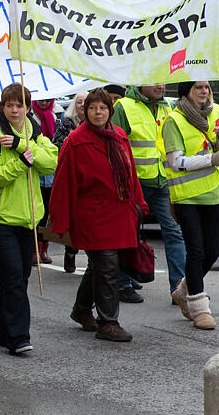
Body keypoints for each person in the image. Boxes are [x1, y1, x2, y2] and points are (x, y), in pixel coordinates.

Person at [50, 88, 147, 343]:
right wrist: (60, 220)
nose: (98, 112)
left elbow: (131, 173)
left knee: (99, 266)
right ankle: (109, 322)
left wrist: (139, 202)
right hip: (92, 215)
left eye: (102, 108)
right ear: (85, 110)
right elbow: (63, 183)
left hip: (120, 212)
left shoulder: (119, 136)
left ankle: (81, 310)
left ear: (109, 111)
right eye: (93, 108)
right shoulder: (75, 140)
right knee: (107, 266)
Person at [0, 83, 58, 356]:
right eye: (9, 105)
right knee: (12, 273)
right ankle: (19, 337)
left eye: (19, 105)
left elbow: (50, 162)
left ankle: (6, 333)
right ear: (2, 107)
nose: (14, 110)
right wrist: (22, 161)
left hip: (26, 218)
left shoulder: (33, 134)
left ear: (27, 108)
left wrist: (23, 146)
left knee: (20, 276)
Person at [160, 81, 219, 330]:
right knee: (196, 250)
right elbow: (175, 162)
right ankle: (198, 306)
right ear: (186, 91)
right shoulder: (174, 120)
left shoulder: (217, 112)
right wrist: (210, 159)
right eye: (198, 87)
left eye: (207, 87)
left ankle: (183, 290)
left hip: (214, 193)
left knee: (213, 250)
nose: (204, 91)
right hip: (187, 195)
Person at [112, 85, 185, 302]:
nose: (161, 85)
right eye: (155, 81)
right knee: (128, 232)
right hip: (134, 184)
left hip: (162, 180)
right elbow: (115, 146)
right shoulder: (123, 106)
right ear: (141, 82)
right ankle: (123, 283)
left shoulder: (167, 107)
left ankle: (179, 289)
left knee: (174, 232)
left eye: (163, 81)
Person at [53, 91, 87, 273]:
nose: (82, 104)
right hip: (71, 176)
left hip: (88, 178)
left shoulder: (95, 125)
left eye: (85, 102)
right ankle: (70, 251)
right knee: (73, 219)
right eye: (79, 101)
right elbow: (56, 147)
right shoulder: (65, 124)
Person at [30, 98, 57, 264]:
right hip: (37, 169)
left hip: (51, 172)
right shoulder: (31, 116)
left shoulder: (55, 116)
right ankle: (34, 249)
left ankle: (44, 248)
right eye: (41, 99)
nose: (44, 102)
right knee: (36, 213)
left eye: (48, 99)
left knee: (48, 213)